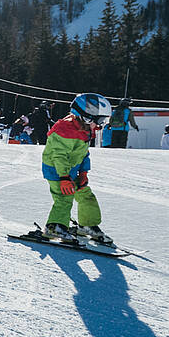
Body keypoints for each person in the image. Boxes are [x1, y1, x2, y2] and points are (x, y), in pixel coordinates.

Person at [42, 93, 112, 245]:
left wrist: (84, 172)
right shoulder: (64, 129)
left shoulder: (85, 129)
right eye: (99, 120)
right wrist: (64, 178)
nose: (100, 125)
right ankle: (55, 227)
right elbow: (59, 156)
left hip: (71, 170)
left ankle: (87, 225)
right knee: (64, 197)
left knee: (85, 194)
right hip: (56, 171)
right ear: (85, 117)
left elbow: (84, 153)